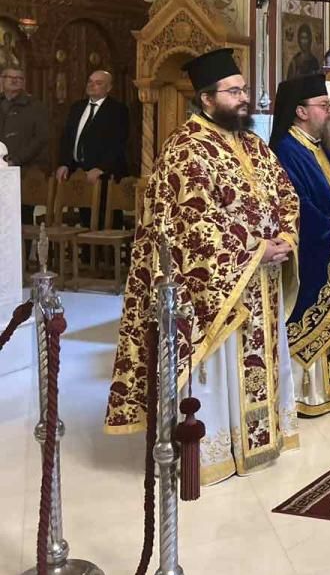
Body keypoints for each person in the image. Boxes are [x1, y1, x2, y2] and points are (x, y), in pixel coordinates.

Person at [105, 48, 300, 485]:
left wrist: (286, 238)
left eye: (244, 89)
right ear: (207, 99)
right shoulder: (186, 148)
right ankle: (217, 451)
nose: (243, 97)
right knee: (218, 373)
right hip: (217, 293)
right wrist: (257, 248)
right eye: (234, 91)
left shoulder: (253, 144)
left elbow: (286, 195)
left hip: (261, 282)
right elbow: (192, 224)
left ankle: (259, 440)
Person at [270, 73, 330, 416]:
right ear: (301, 111)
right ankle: (304, 395)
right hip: (312, 251)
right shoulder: (285, 151)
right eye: (324, 105)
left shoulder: (318, 147)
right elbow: (297, 204)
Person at [56, 69, 130, 183]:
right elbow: (67, 138)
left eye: (98, 83)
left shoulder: (117, 110)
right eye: (90, 81)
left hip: (103, 174)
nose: (92, 85)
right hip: (74, 172)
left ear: (109, 88)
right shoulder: (77, 107)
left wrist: (102, 168)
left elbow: (118, 143)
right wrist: (64, 163)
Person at [0, 67, 49, 223]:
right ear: (2, 80)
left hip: (25, 171)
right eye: (10, 77)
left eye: (19, 78)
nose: (14, 80)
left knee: (20, 218)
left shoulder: (35, 106)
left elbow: (41, 138)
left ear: (24, 82)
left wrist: (16, 160)